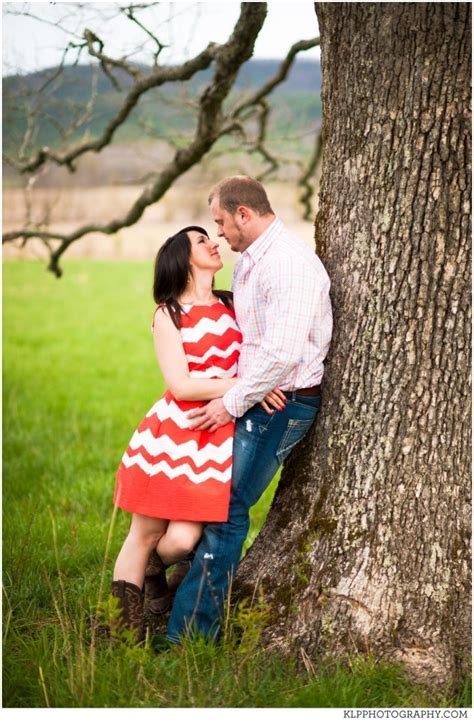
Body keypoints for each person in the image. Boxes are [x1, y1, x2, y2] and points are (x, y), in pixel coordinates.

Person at [165, 176, 333, 643]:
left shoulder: (288, 264)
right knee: (206, 499)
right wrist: (249, 388)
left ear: (244, 214)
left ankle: (190, 636)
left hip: (285, 403)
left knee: (226, 507)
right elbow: (252, 344)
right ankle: (169, 594)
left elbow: (280, 355)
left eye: (220, 222)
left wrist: (230, 403)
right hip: (261, 394)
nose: (218, 234)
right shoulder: (250, 263)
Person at [111, 225, 285, 641]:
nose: (215, 242)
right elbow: (183, 386)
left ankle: (156, 571)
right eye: (201, 240)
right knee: (145, 532)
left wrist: (252, 382)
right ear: (182, 258)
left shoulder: (231, 302)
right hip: (173, 435)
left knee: (185, 536)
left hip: (218, 433)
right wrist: (250, 386)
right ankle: (120, 631)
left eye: (212, 236)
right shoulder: (168, 313)